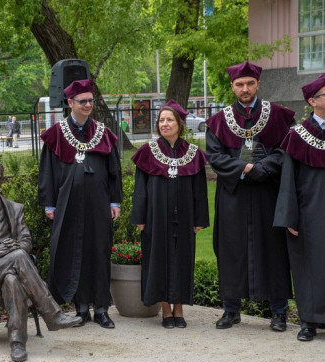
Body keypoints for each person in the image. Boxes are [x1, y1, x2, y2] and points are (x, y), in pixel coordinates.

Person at [0, 159, 81, 362]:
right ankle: (52, 315)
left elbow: (26, 241)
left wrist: (13, 251)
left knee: (12, 279)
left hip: (12, 268)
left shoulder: (15, 208)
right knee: (19, 257)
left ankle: (17, 342)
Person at [205, 61, 295, 332]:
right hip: (234, 195)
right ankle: (231, 309)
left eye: (249, 83)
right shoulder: (218, 121)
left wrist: (263, 169)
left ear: (258, 84)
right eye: (239, 84)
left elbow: (284, 151)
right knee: (231, 249)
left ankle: (278, 311)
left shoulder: (279, 116)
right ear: (232, 86)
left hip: (268, 192)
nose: (245, 89)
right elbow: (215, 156)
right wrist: (245, 168)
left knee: (273, 249)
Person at [38, 79, 123, 329]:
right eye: (82, 101)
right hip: (67, 204)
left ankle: (103, 308)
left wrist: (115, 200)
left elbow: (114, 170)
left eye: (90, 100)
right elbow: (47, 173)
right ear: (70, 103)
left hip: (99, 203)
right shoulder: (56, 134)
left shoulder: (103, 133)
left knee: (99, 251)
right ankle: (81, 307)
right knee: (74, 251)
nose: (88, 105)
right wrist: (49, 204)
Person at [130, 100, 209, 328]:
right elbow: (140, 189)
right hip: (156, 217)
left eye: (170, 120)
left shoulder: (193, 154)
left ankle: (180, 308)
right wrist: (140, 218)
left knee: (183, 260)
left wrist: (199, 219)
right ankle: (165, 309)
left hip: (184, 217)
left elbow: (200, 190)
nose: (165, 124)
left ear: (180, 123)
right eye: (162, 120)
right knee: (159, 260)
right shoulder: (147, 152)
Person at [273, 74, 325, 341]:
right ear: (312, 101)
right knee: (308, 267)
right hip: (308, 214)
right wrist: (289, 216)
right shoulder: (298, 135)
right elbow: (287, 181)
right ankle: (308, 322)